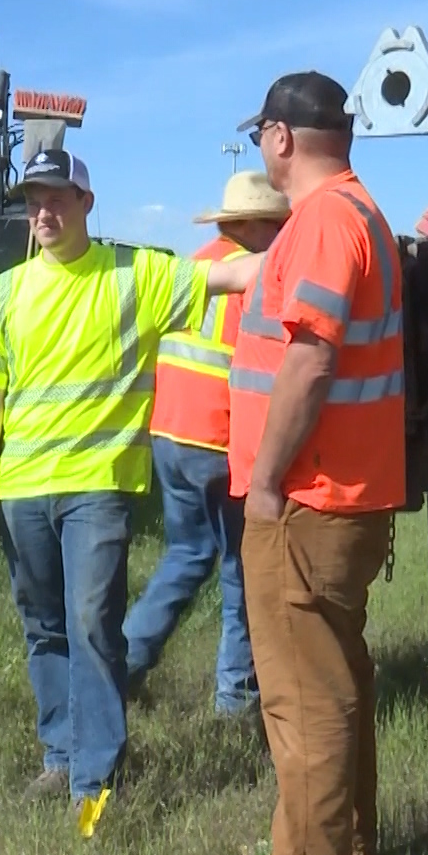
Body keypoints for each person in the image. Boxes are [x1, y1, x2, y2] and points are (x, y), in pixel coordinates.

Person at [0, 147, 262, 839]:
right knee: (45, 630)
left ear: (86, 203)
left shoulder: (133, 277)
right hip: (24, 490)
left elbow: (234, 274)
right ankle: (60, 755)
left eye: (58, 197)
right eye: (35, 197)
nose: (45, 210)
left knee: (92, 628)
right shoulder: (4, 294)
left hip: (97, 490)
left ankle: (95, 784)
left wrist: (309, 246)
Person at [201, 70, 406, 855]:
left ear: (282, 137)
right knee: (336, 682)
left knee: (302, 700)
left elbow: (311, 357)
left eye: (261, 137)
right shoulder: (356, 214)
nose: (261, 149)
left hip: (308, 499)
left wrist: (270, 484)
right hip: (341, 495)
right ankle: (338, 850)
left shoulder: (323, 222)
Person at [123, 171, 289, 717]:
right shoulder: (255, 277)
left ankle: (122, 667)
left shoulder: (190, 267)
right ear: (254, 225)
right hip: (220, 440)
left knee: (185, 554)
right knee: (240, 567)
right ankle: (236, 699)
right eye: (276, 225)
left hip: (170, 434)